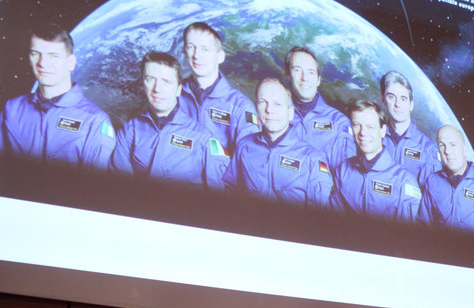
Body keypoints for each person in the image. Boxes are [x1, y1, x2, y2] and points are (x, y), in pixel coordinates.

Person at [0, 23, 115, 169]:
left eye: (53, 56)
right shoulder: (13, 109)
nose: (42, 63)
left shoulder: (95, 121)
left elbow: (95, 186)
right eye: (35, 53)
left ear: (71, 63)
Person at [110, 51, 228, 188]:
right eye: (150, 79)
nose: (157, 89)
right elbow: (120, 187)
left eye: (166, 81)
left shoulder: (204, 139)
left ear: (178, 90)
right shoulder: (130, 131)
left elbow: (221, 196)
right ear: (143, 84)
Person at [223, 78, 333, 206]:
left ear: (290, 113)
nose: (269, 110)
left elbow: (319, 216)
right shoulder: (244, 146)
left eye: (277, 104)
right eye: (262, 102)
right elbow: (229, 192)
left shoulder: (312, 160)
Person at [329, 99, 421, 221]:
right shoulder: (343, 169)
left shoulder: (404, 182)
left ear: (383, 131)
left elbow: (406, 236)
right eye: (357, 125)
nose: (363, 133)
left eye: (370, 126)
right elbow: (333, 219)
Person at [178, 22, 259, 156]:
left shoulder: (241, 107)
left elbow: (250, 159)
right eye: (191, 47)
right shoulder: (172, 97)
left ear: (220, 56)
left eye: (205, 49)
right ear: (185, 52)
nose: (196, 55)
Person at [284, 47, 355, 174]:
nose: (304, 78)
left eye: (311, 72)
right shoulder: (275, 115)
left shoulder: (339, 123)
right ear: (288, 75)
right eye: (297, 70)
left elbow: (346, 178)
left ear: (318, 79)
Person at [380, 71, 441, 184]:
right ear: (383, 99)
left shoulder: (428, 151)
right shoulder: (373, 139)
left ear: (411, 105)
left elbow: (430, 197)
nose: (397, 104)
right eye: (391, 97)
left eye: (403, 99)